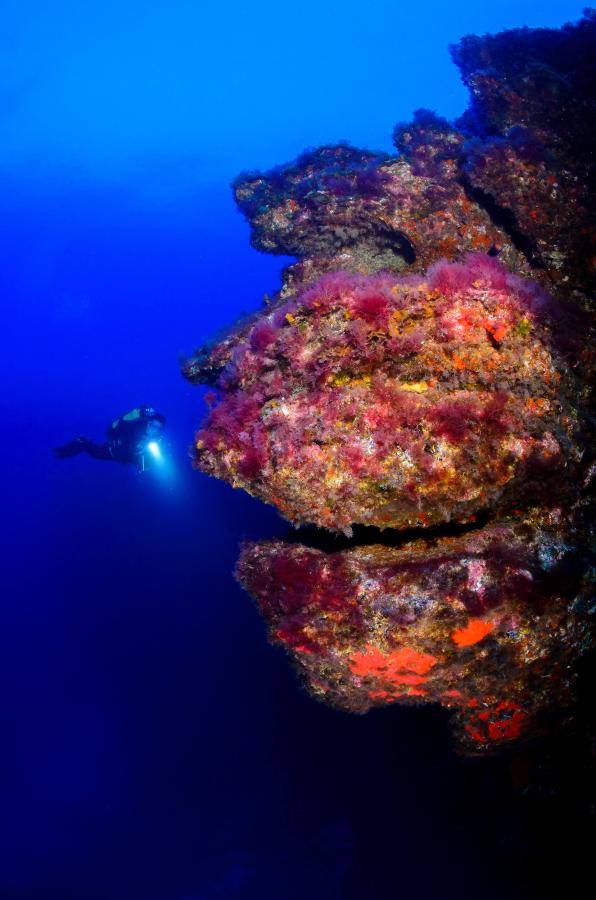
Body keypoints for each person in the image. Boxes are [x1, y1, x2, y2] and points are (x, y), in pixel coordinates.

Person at [53, 406, 166, 471]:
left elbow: (148, 455)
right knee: (94, 453)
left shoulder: (156, 438)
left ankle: (64, 452)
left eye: (158, 428)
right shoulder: (134, 430)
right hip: (113, 450)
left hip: (123, 457)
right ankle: (78, 443)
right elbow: (120, 427)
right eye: (153, 425)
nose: (154, 429)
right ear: (148, 423)